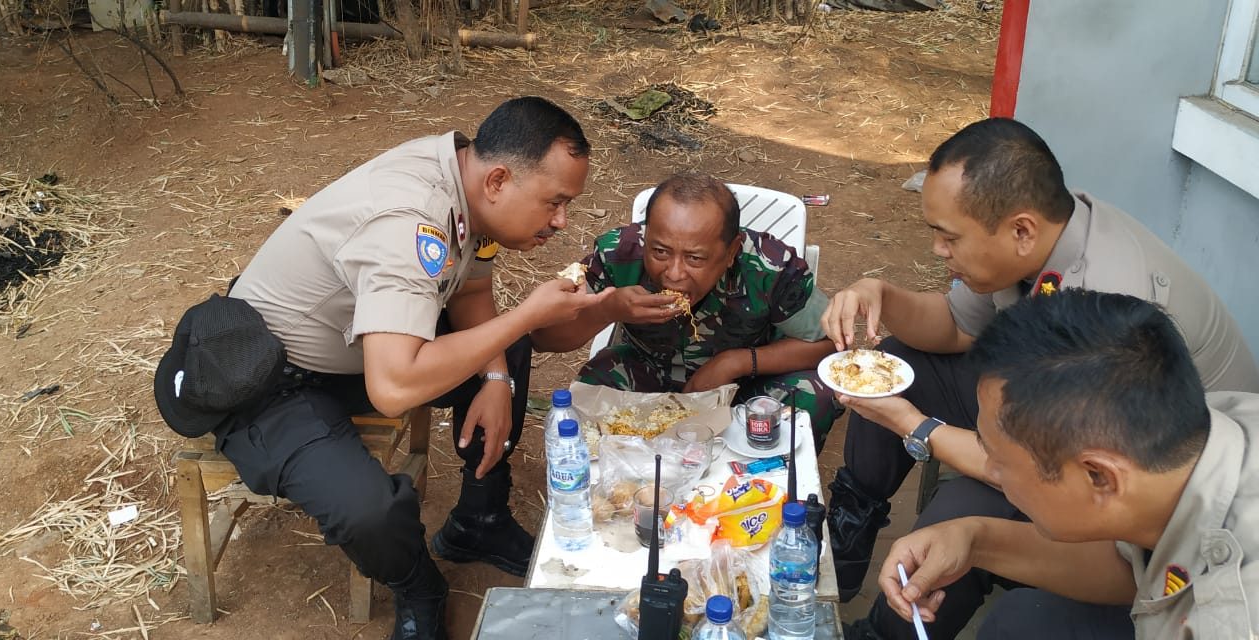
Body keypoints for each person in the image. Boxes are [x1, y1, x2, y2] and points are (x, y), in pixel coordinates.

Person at [153, 97, 611, 640]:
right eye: (554, 203)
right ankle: (419, 586)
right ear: (498, 180)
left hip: (358, 349)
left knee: (502, 346)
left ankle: (478, 520)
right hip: (274, 377)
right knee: (369, 511)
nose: (562, 221)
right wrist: (526, 317)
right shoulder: (410, 221)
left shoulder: (463, 175)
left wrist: (494, 377)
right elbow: (394, 388)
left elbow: (470, 286)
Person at [821, 118, 1259, 639]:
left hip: (1125, 445)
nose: (939, 250)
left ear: (1022, 230)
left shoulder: (1226, 613)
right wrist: (883, 295)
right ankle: (841, 556)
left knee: (967, 509)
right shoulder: (1035, 242)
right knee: (896, 370)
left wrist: (919, 429)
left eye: (948, 236)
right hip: (1130, 458)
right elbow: (959, 326)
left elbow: (1058, 464)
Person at [878, 289, 1259, 639]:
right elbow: (1137, 569)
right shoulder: (1201, 431)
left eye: (1001, 461)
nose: (989, 471)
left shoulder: (1228, 618)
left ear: (1099, 476)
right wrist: (973, 539)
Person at [530, 173, 842, 450]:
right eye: (660, 251)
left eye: (695, 259)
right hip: (649, 373)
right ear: (646, 234)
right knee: (591, 389)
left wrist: (736, 362)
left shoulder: (768, 267)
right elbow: (545, 338)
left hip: (745, 387)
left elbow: (831, 342)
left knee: (816, 394)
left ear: (731, 251)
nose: (674, 274)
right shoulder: (619, 253)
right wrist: (606, 310)